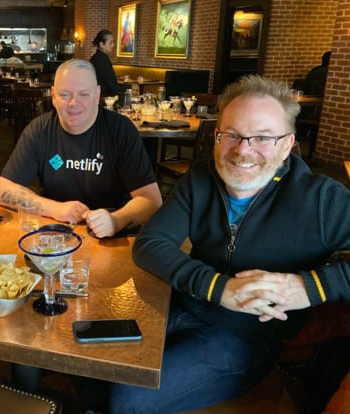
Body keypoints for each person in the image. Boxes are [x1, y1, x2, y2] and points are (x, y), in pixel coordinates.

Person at [110, 75, 350, 412]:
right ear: (216, 136)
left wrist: (310, 287)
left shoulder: (322, 199)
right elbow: (150, 244)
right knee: (94, 361)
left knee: (127, 400)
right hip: (181, 304)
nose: (242, 150)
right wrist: (218, 288)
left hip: (247, 337)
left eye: (263, 138)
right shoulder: (201, 179)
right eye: (232, 135)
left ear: (286, 145)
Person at [0, 59, 162, 238]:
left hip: (111, 238)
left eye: (84, 94)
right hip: (56, 236)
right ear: (53, 96)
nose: (74, 103)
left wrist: (116, 220)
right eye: (65, 94)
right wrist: (56, 208)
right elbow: (3, 190)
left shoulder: (120, 130)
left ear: (97, 95)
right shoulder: (39, 129)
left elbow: (151, 200)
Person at [89, 29, 129, 99]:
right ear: (101, 44)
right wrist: (130, 86)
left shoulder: (95, 58)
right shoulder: (102, 60)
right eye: (110, 43)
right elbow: (113, 87)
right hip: (105, 99)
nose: (113, 45)